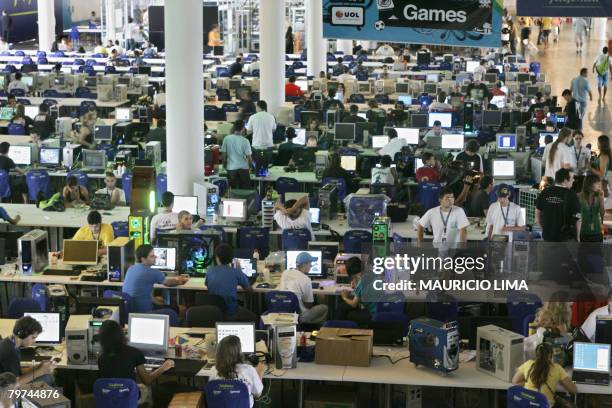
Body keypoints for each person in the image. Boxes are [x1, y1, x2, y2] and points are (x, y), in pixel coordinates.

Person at [98, 319, 174, 404]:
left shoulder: (101, 358)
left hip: (110, 399)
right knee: (148, 389)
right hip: (129, 398)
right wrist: (163, 368)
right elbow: (147, 380)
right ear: (121, 334)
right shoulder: (134, 352)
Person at [122, 244, 188, 313]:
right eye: (152, 256)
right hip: (144, 312)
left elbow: (140, 293)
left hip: (131, 310)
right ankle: (176, 322)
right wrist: (181, 281)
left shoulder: (131, 268)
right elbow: (168, 283)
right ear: (143, 259)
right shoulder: (152, 272)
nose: (155, 257)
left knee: (160, 300)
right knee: (182, 309)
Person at [512, 343, 576, 408]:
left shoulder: (528, 364)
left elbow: (516, 382)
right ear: (551, 355)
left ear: (536, 354)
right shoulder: (557, 368)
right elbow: (573, 389)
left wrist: (529, 383)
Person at [205, 243, 256, 322]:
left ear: (217, 257)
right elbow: (249, 290)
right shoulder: (236, 272)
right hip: (231, 313)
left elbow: (208, 285)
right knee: (253, 317)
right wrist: (240, 273)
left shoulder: (210, 271)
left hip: (213, 312)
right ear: (231, 258)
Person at [210, 335, 264, 408]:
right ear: (239, 352)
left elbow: (212, 392)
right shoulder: (249, 370)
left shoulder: (214, 370)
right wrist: (260, 372)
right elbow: (258, 394)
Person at [0, 316, 53, 385]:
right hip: (5, 392)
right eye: (33, 337)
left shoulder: (11, 343)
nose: (34, 341)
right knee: (47, 378)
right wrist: (41, 371)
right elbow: (13, 385)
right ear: (22, 334)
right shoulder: (10, 352)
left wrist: (37, 367)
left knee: (47, 376)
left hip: (7, 385)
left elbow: (16, 372)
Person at [279, 252, 328, 324]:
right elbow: (308, 305)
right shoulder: (306, 279)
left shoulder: (285, 273)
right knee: (324, 308)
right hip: (300, 316)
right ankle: (313, 329)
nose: (311, 266)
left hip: (283, 313)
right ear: (304, 265)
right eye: (310, 264)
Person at [536, 168, 581, 242]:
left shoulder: (545, 192)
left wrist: (544, 229)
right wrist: (578, 237)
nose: (574, 180)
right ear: (565, 181)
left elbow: (537, 214)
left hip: (547, 237)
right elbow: (578, 218)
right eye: (572, 178)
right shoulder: (571, 194)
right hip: (565, 239)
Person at [339, 256, 377, 325]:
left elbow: (354, 304)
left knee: (347, 312)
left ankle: (342, 328)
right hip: (378, 309)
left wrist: (344, 297)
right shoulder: (371, 273)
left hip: (372, 314)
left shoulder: (361, 283)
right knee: (345, 307)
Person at [221, 120, 252, 189]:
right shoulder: (245, 140)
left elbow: (223, 156)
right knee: (245, 191)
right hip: (243, 168)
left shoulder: (226, 139)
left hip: (231, 168)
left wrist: (224, 166)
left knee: (233, 191)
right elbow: (249, 158)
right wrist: (250, 168)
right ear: (243, 128)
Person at [578, 174, 604, 242]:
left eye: (599, 183)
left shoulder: (599, 196)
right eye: (597, 183)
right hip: (582, 232)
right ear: (589, 184)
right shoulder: (578, 197)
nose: (599, 186)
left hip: (597, 232)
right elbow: (577, 216)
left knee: (598, 252)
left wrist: (602, 201)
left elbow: (602, 215)